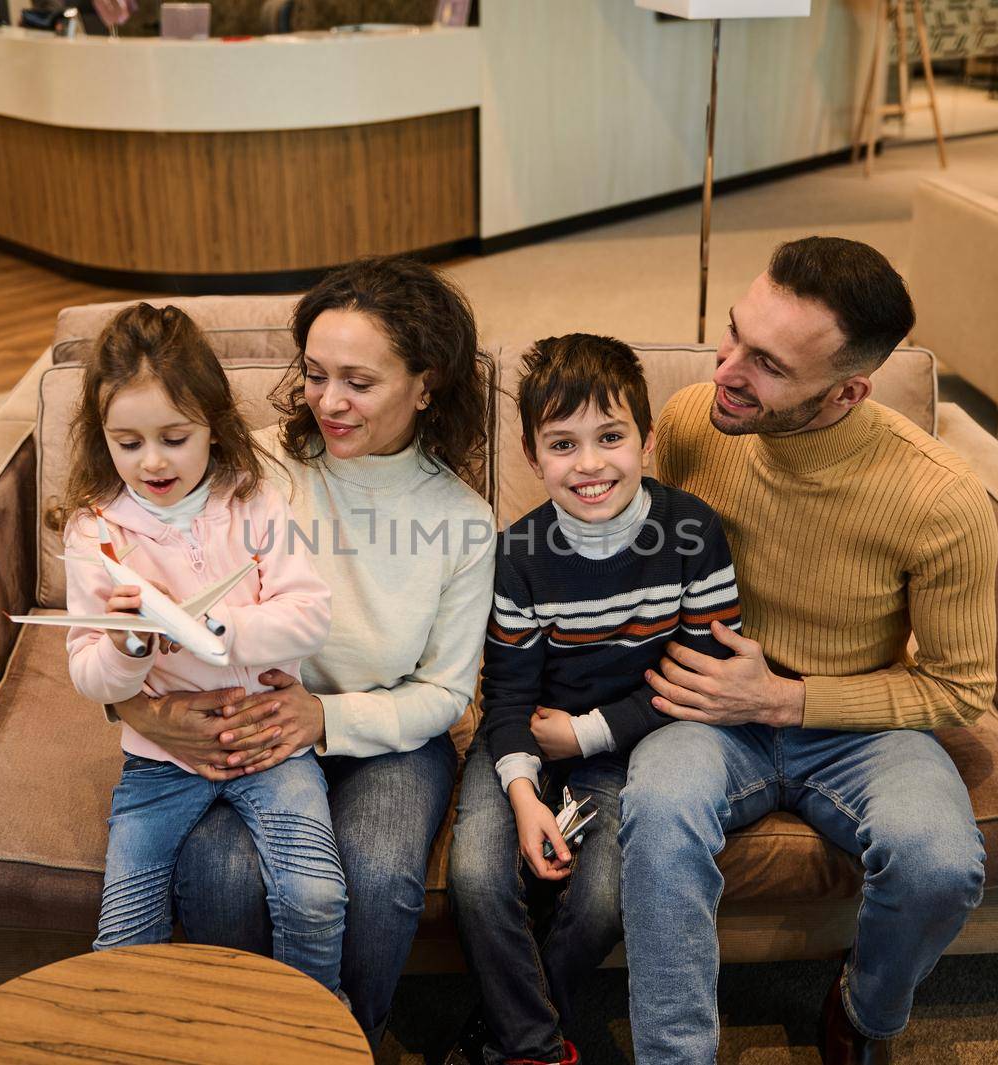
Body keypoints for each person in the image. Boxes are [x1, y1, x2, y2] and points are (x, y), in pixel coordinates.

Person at [619, 236, 996, 1065]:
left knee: (939, 861)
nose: (724, 370)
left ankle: (863, 1010)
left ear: (846, 391)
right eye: (732, 334)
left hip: (858, 720)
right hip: (716, 704)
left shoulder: (939, 497)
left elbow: (960, 688)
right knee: (657, 813)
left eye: (768, 364)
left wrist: (789, 701)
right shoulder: (692, 420)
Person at [109, 256, 497, 1049]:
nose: (328, 401)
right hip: (245, 731)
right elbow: (136, 607)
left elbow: (448, 691)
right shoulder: (246, 472)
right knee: (221, 874)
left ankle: (345, 1041)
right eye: (315, 374)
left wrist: (324, 716)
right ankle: (250, 1043)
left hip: (385, 738)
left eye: (359, 380)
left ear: (426, 382)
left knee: (382, 875)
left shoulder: (461, 520)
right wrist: (140, 709)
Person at [447, 335, 743, 1065]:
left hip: (618, 747)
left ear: (645, 440)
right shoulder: (518, 556)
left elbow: (704, 678)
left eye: (609, 437)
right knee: (477, 876)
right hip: (521, 744)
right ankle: (539, 1046)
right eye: (562, 443)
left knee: (604, 895)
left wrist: (584, 734)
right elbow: (507, 694)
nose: (588, 464)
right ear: (532, 454)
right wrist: (523, 795)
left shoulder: (693, 533)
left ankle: (504, 1033)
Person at [48, 303, 342, 993]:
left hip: (271, 740)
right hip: (159, 763)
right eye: (127, 442)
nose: (151, 461)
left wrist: (220, 631)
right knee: (122, 936)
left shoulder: (254, 498)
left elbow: (311, 614)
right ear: (103, 437)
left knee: (317, 899)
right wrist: (128, 647)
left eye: (175, 437)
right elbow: (89, 673)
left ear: (214, 424)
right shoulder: (96, 532)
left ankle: (310, 1036)